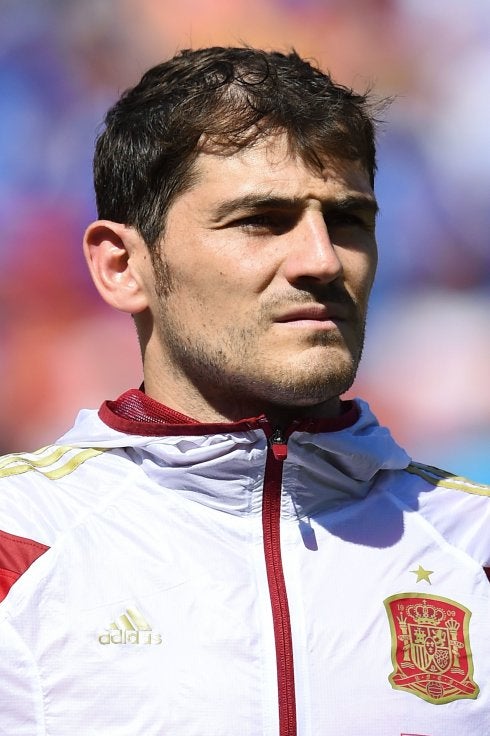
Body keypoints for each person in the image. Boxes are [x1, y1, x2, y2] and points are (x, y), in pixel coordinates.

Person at [0, 46, 489, 736]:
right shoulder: (17, 541)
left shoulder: (475, 546)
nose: (322, 260)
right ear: (122, 267)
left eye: (347, 220)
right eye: (262, 220)